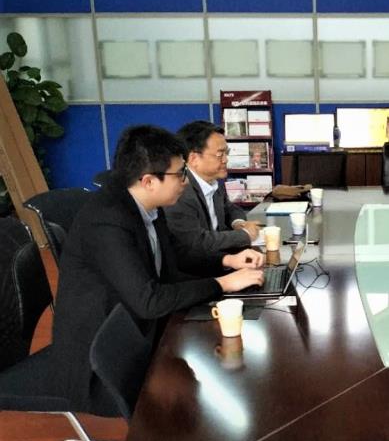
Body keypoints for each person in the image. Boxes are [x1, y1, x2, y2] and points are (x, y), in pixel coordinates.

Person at [51, 125, 265, 412]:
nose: (186, 181)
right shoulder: (107, 221)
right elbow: (150, 301)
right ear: (149, 181)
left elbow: (176, 259)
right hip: (102, 358)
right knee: (209, 385)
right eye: (180, 174)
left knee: (219, 364)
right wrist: (222, 284)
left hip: (140, 327)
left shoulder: (148, 203)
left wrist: (227, 262)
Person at [165, 121, 261, 255]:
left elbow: (230, 208)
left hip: (219, 256)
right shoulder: (180, 193)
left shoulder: (212, 182)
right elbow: (196, 242)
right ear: (193, 159)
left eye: (227, 153)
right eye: (219, 154)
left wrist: (238, 223)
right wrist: (245, 234)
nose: (226, 160)